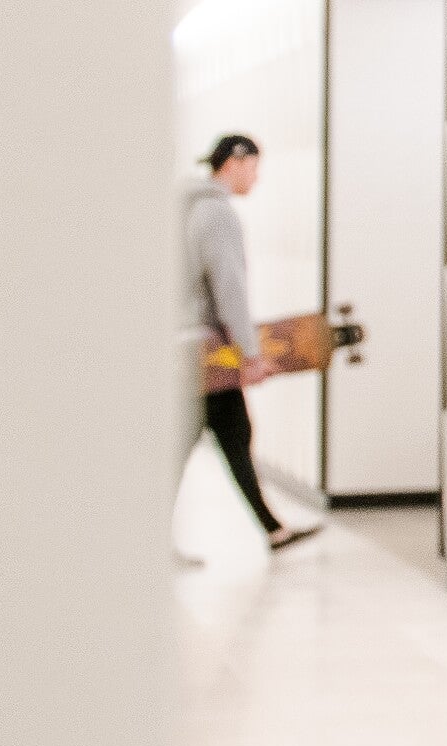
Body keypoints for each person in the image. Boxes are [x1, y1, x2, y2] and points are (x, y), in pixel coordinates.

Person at [183, 133, 312, 550]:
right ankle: (273, 529)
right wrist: (251, 354)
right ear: (234, 163)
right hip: (206, 353)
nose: (257, 178)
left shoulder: (186, 207)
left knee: (230, 433)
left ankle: (273, 528)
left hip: (183, 346)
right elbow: (229, 288)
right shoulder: (217, 214)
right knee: (227, 434)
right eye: (255, 167)